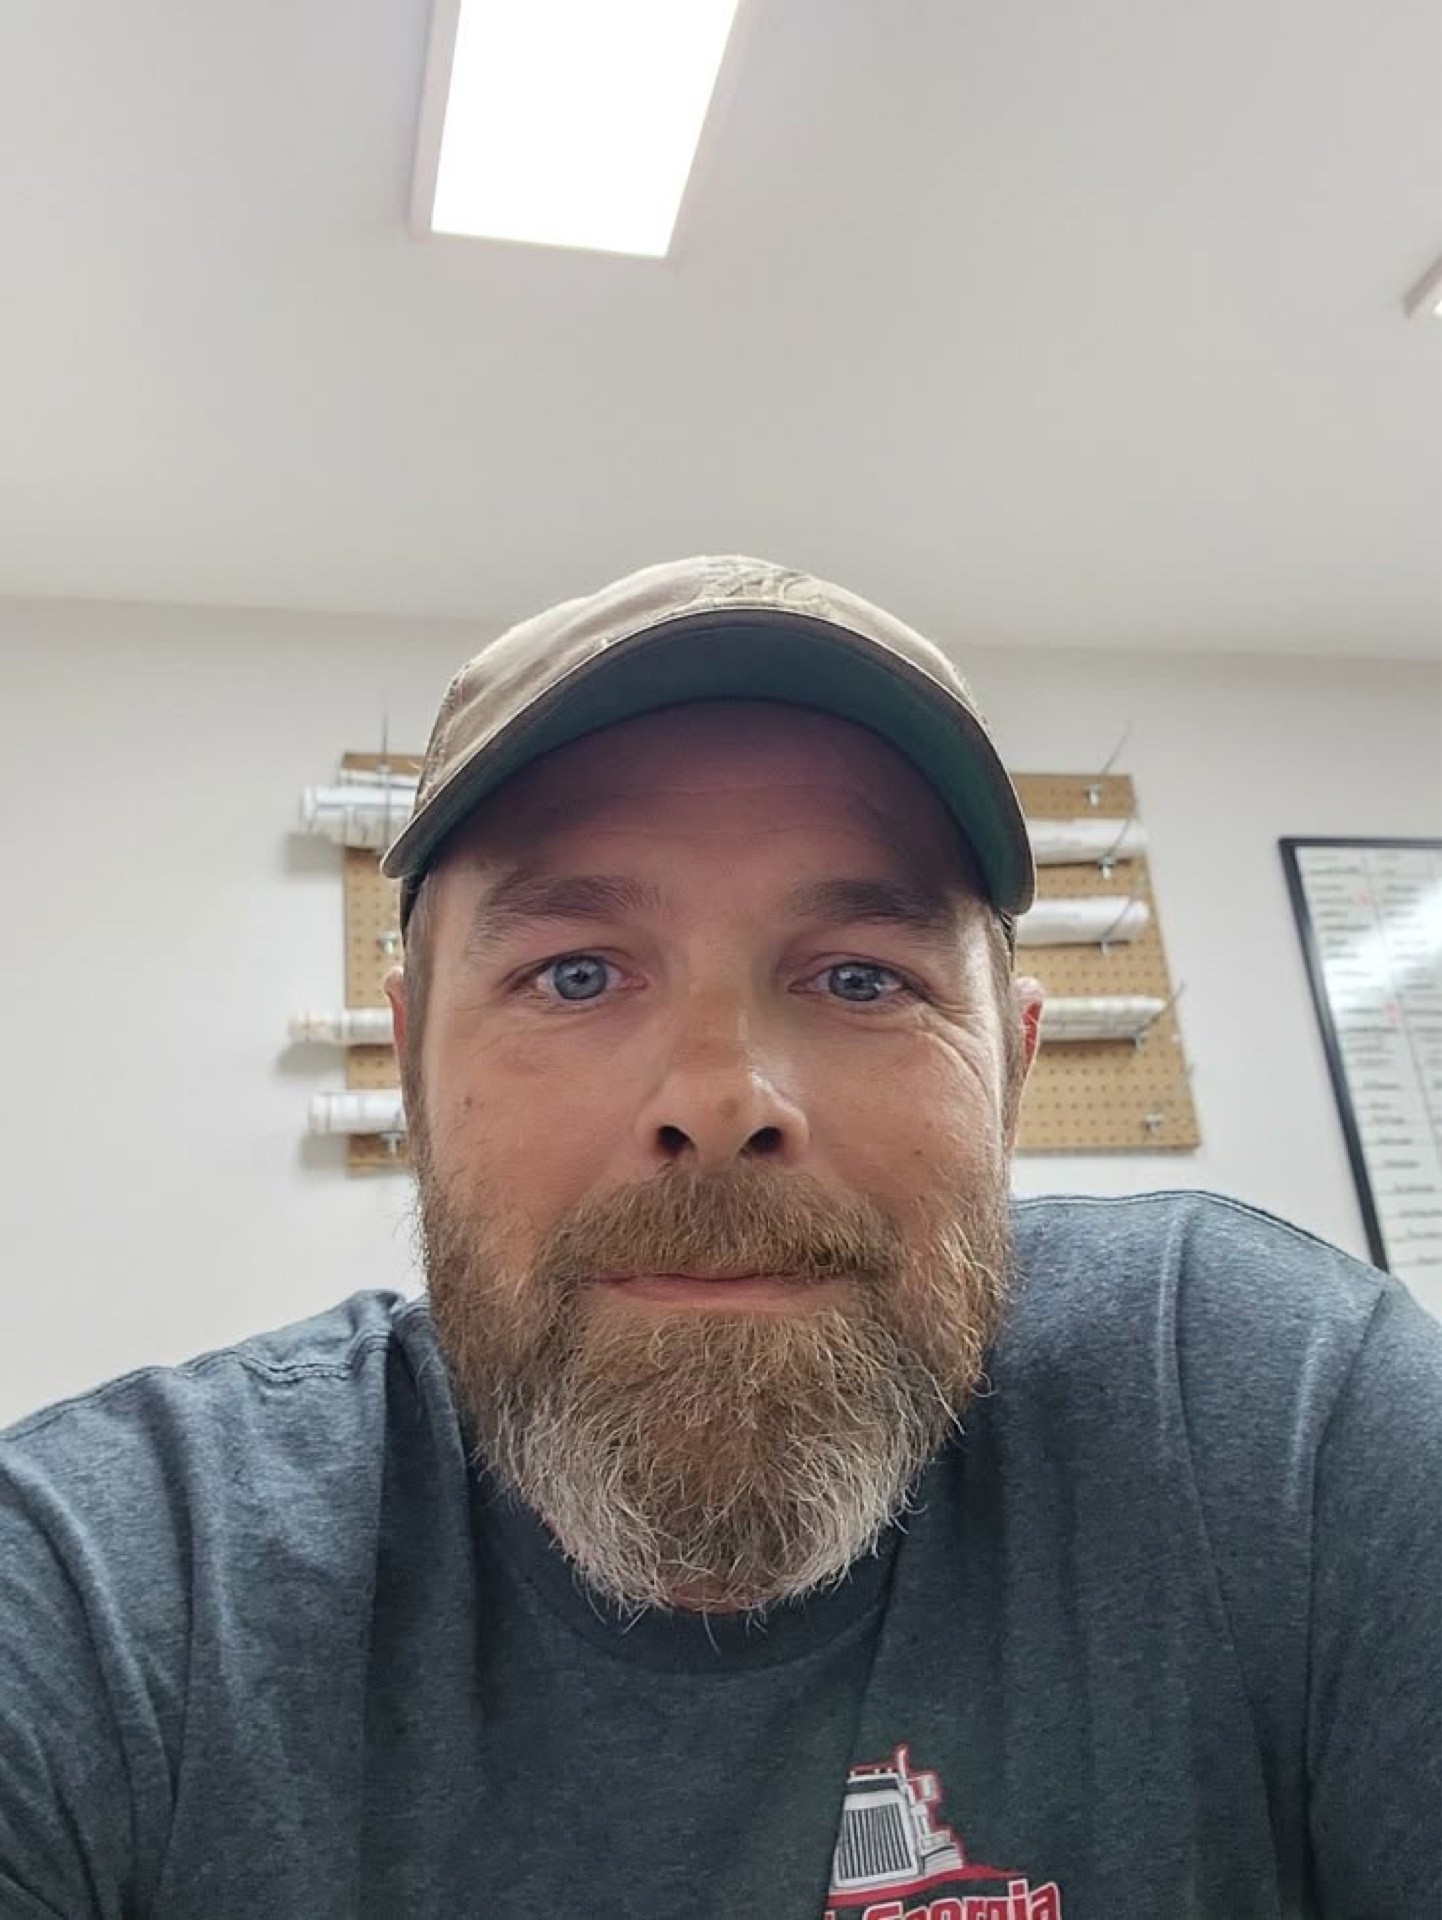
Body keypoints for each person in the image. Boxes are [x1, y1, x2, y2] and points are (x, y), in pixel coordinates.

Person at [0, 555, 1437, 1920]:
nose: (720, 1098)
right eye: (575, 974)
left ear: (1010, 1072)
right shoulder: (110, 1590)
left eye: (860, 978)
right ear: (412, 1067)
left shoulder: (1278, 1427)